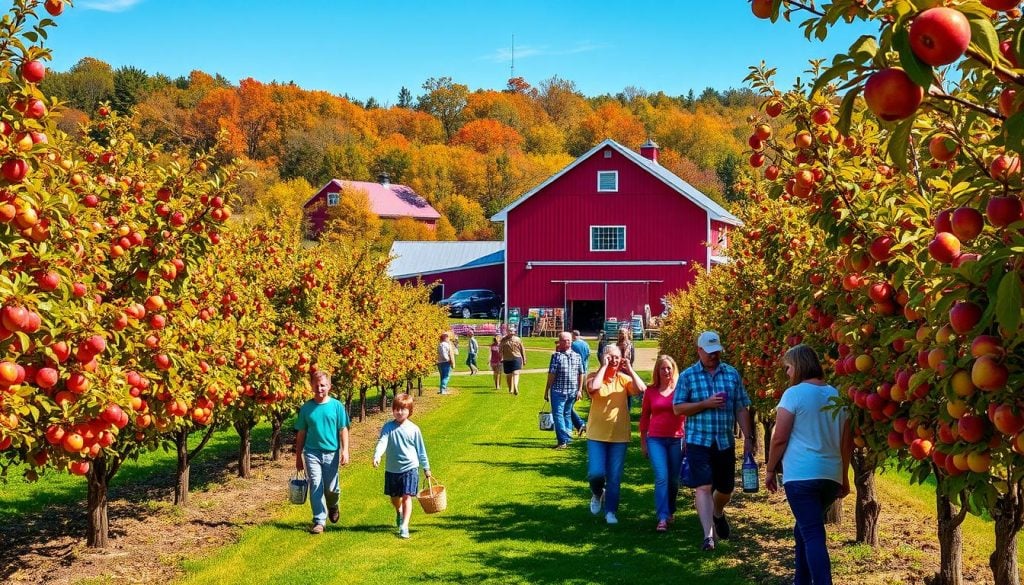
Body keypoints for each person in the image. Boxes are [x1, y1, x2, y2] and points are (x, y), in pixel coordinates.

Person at [766, 344, 851, 585]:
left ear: (799, 366)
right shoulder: (837, 396)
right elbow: (846, 444)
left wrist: (771, 469)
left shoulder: (793, 395)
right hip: (829, 477)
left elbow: (780, 437)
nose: (787, 373)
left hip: (801, 476)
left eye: (789, 367)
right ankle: (800, 580)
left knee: (813, 533)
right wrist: (844, 477)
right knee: (803, 528)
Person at [672, 330, 754, 551]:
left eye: (716, 352)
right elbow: (678, 408)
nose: (713, 356)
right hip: (699, 440)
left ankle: (718, 513)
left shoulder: (731, 374)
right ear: (699, 351)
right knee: (703, 486)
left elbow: (740, 406)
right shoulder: (688, 376)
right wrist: (704, 404)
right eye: (708, 352)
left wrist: (748, 437)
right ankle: (708, 536)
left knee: (726, 488)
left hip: (724, 441)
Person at [586, 344, 646, 525]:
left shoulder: (623, 379)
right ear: (603, 357)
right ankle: (597, 493)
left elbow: (642, 389)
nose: (614, 360)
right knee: (596, 473)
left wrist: (629, 368)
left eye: (616, 357)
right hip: (596, 434)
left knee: (614, 476)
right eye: (610, 356)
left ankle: (611, 511)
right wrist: (604, 367)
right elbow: (594, 388)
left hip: (619, 435)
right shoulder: (592, 377)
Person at [294, 370, 350, 534]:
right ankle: (319, 520)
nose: (320, 388)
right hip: (312, 453)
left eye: (323, 385)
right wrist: (298, 457)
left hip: (331, 453)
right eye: (317, 385)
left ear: (329, 387)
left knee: (331, 488)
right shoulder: (306, 408)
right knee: (316, 485)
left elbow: (343, 429)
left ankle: (333, 505)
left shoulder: (337, 406)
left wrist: (345, 450)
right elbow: (301, 433)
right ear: (311, 386)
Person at [373, 393, 432, 539]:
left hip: (410, 468)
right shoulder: (388, 427)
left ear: (409, 411)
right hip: (392, 469)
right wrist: (377, 455)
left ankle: (404, 526)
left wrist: (426, 468)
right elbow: (382, 442)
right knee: (395, 497)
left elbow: (421, 451)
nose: (399, 412)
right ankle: (398, 510)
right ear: (392, 410)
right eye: (397, 409)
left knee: (407, 496)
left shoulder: (414, 429)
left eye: (403, 409)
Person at [639, 355, 685, 532]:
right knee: (661, 477)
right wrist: (643, 442)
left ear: (674, 370)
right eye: (662, 368)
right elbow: (644, 418)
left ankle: (670, 509)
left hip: (676, 439)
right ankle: (662, 517)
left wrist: (687, 438)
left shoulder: (680, 390)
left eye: (669, 368)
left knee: (673, 480)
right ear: (657, 372)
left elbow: (687, 415)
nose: (666, 371)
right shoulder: (650, 391)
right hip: (656, 439)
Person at [544, 331, 585, 449]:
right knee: (566, 414)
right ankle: (568, 437)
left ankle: (562, 441)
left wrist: (547, 389)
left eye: (566, 340)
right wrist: (579, 389)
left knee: (558, 415)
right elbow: (581, 373)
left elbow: (552, 374)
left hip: (559, 390)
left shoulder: (556, 356)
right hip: (572, 390)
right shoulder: (577, 356)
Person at [570, 330, 591, 436]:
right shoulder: (586, 344)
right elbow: (588, 355)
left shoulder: (573, 345)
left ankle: (580, 424)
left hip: (575, 372)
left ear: (573, 336)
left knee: (568, 405)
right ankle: (577, 425)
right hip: (585, 370)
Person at [499, 328, 526, 395]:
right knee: (509, 375)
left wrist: (524, 359)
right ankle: (511, 389)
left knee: (516, 373)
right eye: (509, 331)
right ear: (507, 332)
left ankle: (515, 387)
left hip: (516, 358)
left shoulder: (518, 339)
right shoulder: (503, 340)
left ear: (514, 332)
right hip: (506, 359)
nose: (511, 332)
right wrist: (501, 357)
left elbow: (522, 350)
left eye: (512, 331)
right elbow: (500, 350)